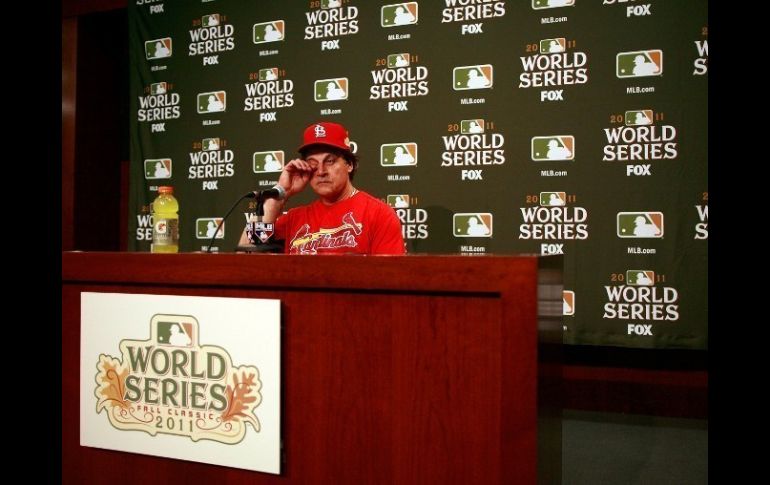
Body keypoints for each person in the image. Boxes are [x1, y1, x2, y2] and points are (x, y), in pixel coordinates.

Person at [239, 122, 405, 255]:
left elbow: (390, 279)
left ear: (349, 165)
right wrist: (279, 197)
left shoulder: (378, 214)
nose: (321, 172)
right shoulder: (294, 219)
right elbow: (247, 255)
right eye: (313, 164)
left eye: (330, 161)